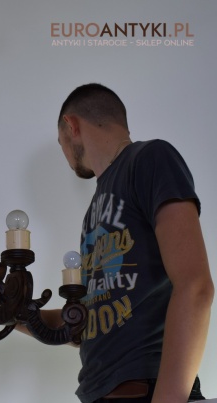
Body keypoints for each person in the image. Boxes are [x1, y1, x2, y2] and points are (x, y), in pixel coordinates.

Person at [18, 83, 214, 403]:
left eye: (60, 142)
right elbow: (81, 322)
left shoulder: (151, 158)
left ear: (71, 125)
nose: (64, 153)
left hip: (145, 390)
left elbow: (196, 286)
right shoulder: (94, 209)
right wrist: (7, 313)